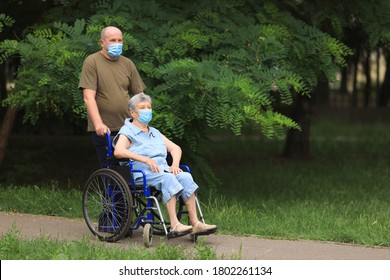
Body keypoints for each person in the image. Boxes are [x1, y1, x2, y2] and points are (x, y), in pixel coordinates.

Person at [113, 93, 217, 237]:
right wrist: (145, 159)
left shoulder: (155, 132)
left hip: (162, 170)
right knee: (168, 179)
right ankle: (174, 225)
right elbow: (118, 151)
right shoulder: (128, 131)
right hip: (142, 173)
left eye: (149, 107)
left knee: (185, 176)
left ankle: (195, 223)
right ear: (133, 113)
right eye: (142, 107)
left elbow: (176, 148)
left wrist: (174, 164)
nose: (147, 110)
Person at [79, 26, 145, 168]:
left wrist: (143, 120)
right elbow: (88, 97)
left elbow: (139, 96)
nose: (117, 43)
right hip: (106, 130)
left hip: (128, 128)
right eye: (112, 40)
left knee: (134, 169)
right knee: (113, 171)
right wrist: (98, 124)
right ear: (102, 43)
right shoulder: (92, 62)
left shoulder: (127, 63)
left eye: (120, 40)